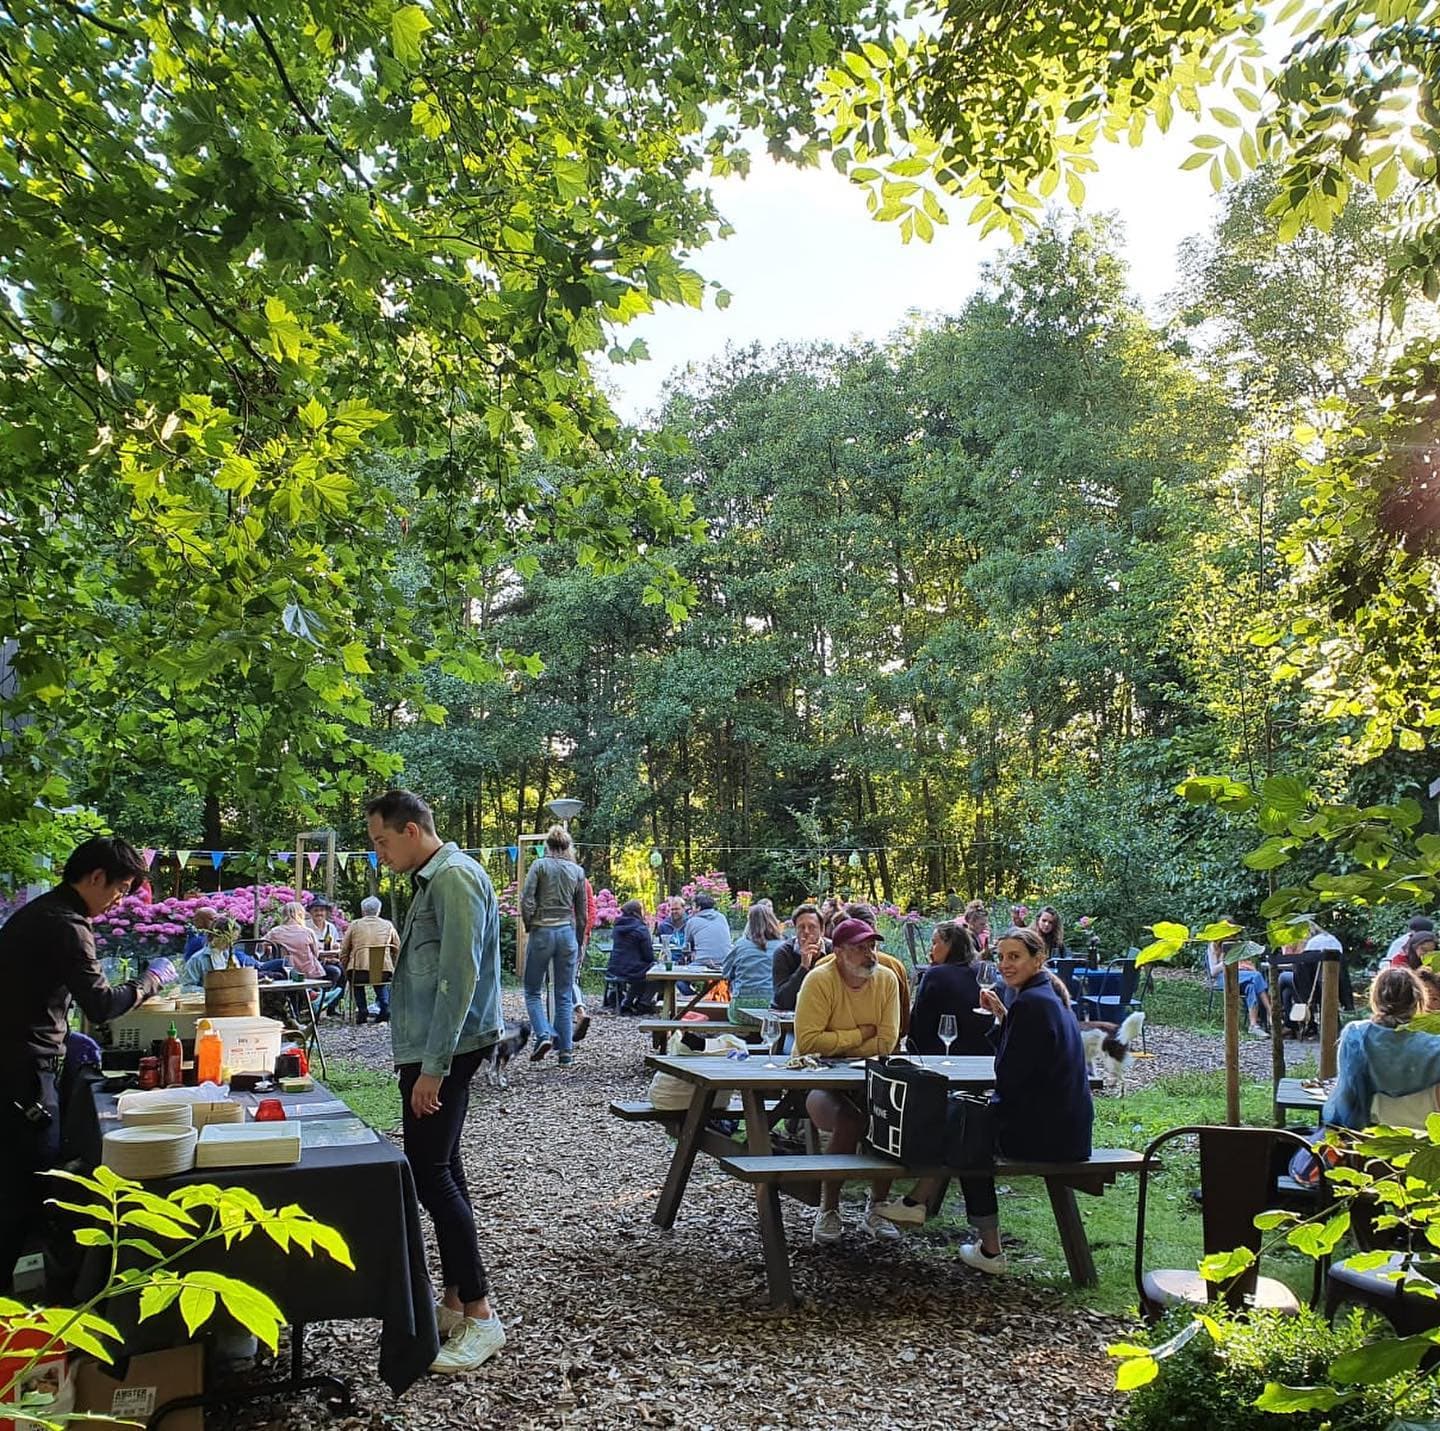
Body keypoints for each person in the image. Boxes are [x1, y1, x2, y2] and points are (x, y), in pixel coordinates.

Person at [365, 788, 506, 1372]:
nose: (379, 854)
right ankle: (455, 1299)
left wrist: (434, 1068)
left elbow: (458, 979)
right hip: (427, 1049)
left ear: (411, 830)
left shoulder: (454, 879)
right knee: (443, 1169)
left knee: (430, 1176)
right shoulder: (431, 880)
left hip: (443, 1051)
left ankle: (481, 1314)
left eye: (382, 841)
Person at [0, 837, 177, 1293]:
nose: (119, 899)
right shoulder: (66, 924)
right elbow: (100, 1004)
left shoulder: (42, 913)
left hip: (20, 1060)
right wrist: (150, 981)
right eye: (120, 889)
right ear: (96, 877)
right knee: (26, 1187)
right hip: (23, 1070)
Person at [951, 926, 1092, 1269]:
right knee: (967, 1120)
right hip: (1071, 1129)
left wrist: (985, 1110)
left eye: (1014, 957)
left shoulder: (1031, 1003)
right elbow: (1027, 1061)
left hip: (1048, 1137)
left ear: (1038, 959)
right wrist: (1003, 1016)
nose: (1005, 965)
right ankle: (918, 1201)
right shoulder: (1049, 996)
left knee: (965, 1131)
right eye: (1001, 957)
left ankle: (990, 1249)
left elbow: (1009, 1078)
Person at [794, 918, 902, 1244]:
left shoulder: (887, 980)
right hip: (816, 1076)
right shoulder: (819, 980)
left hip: (870, 1077)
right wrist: (860, 1034)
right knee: (849, 1119)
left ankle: (877, 1207)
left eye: (872, 946)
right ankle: (828, 1208)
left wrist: (838, 1042)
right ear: (839, 952)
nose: (870, 954)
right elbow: (809, 1042)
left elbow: (886, 1043)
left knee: (892, 1114)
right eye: (860, 948)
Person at [1323, 967, 1440, 1131]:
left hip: (1366, 1135)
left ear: (1376, 999)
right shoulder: (1435, 1044)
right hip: (1427, 1136)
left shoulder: (1356, 1035)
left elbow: (1346, 1098)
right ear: (1418, 1000)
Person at [518, 824, 587, 1064]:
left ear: (547, 846)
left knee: (532, 990)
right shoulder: (577, 871)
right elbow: (582, 914)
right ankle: (566, 1052)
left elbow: (526, 899)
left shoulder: (539, 866)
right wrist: (578, 943)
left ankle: (544, 1034)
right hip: (567, 933)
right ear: (568, 847)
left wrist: (530, 925)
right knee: (564, 993)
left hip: (542, 931)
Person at [908, 921, 992, 1056]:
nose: (931, 949)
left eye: (934, 943)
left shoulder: (935, 975)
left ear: (950, 945)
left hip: (939, 1055)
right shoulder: (982, 974)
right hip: (983, 1055)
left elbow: (919, 1026)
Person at [338, 895, 400, 1024]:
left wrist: (345, 965)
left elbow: (344, 949)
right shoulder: (388, 925)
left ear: (363, 911)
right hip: (382, 970)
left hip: (358, 971)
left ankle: (362, 1010)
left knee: (356, 981)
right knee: (379, 978)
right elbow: (397, 948)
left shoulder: (355, 924)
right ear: (379, 910)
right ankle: (384, 1007)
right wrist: (393, 964)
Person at [1206, 933, 1271, 1037]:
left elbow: (1248, 964)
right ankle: (1271, 1013)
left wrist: (1244, 966)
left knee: (1251, 986)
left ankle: (1253, 1025)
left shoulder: (1239, 944)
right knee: (1257, 976)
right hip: (1222, 978)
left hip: (1241, 975)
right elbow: (1213, 972)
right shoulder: (1213, 946)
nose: (1232, 938)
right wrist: (1227, 960)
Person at [723, 904, 779, 1019]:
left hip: (740, 1011)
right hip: (774, 1010)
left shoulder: (740, 945)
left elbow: (726, 973)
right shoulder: (782, 947)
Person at [771, 903, 829, 1011]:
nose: (806, 932)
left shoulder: (833, 951)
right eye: (801, 927)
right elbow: (782, 1000)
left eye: (812, 927)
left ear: (822, 930)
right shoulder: (783, 953)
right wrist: (803, 967)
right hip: (792, 1013)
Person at [607, 899, 658, 1013]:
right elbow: (648, 956)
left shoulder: (617, 927)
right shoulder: (641, 928)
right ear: (637, 912)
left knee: (641, 972)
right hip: (632, 970)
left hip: (614, 969)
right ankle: (644, 1003)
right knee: (656, 972)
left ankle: (627, 1002)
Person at [180, 916, 255, 991]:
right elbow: (186, 987)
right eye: (227, 940)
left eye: (233, 940)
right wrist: (210, 991)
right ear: (216, 936)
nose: (230, 944)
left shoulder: (230, 957)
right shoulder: (197, 960)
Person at [683, 892, 731, 967]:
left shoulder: (692, 921)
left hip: (702, 962)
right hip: (726, 962)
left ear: (698, 908)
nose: (691, 909)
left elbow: (686, 946)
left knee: (683, 973)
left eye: (693, 906)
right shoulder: (722, 917)